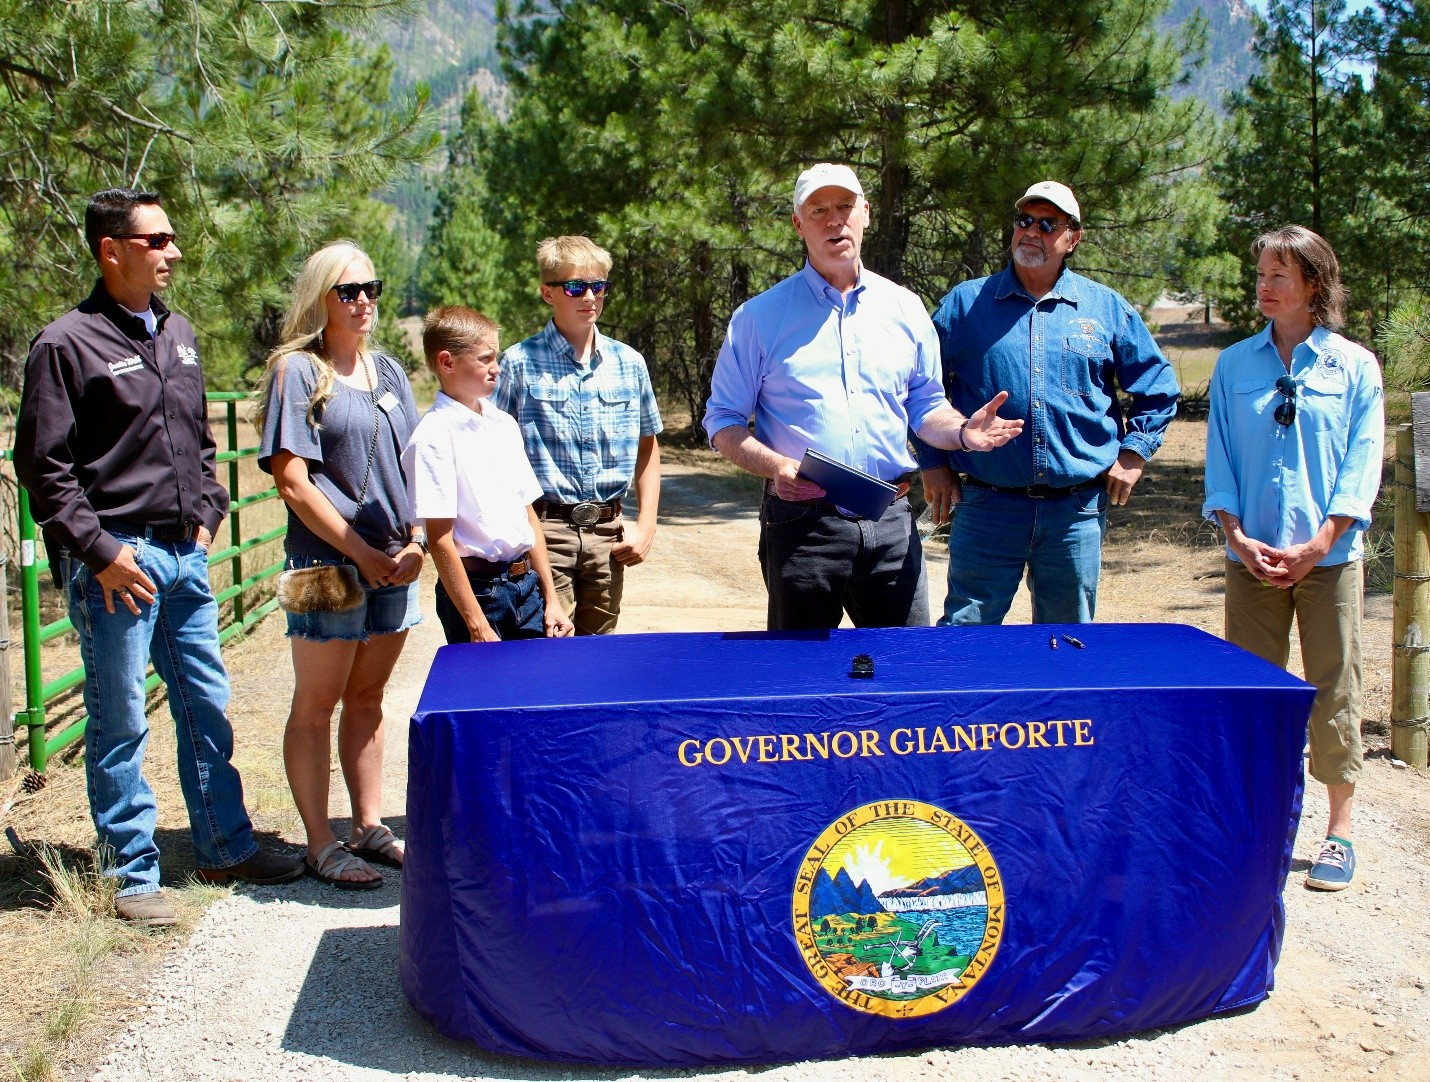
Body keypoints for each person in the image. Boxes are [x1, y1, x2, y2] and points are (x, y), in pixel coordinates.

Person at [14, 188, 303, 927]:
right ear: (111, 250)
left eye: (171, 239)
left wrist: (208, 519)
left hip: (184, 555)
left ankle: (223, 845)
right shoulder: (65, 344)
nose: (172, 252)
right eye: (157, 240)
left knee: (205, 702)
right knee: (120, 722)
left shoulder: (178, 334)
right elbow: (44, 468)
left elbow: (202, 445)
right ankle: (130, 873)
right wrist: (102, 553)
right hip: (118, 561)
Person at [703, 163, 1023, 630]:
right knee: (805, 681)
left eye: (846, 207)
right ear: (799, 224)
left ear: (866, 214)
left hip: (892, 521)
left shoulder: (904, 308)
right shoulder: (759, 318)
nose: (835, 221)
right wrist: (777, 468)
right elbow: (723, 423)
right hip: (802, 526)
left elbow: (926, 406)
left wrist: (962, 433)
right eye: (819, 211)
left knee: (902, 674)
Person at [1203, 225, 1383, 892]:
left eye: (1280, 274)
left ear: (1314, 284)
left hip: (1329, 559)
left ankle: (1339, 834)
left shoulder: (1355, 367)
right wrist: (1236, 533)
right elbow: (1218, 456)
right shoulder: (1234, 365)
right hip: (1250, 557)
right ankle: (1254, 826)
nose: (1265, 285)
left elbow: (1362, 467)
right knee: (1251, 692)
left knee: (1334, 689)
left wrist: (1318, 544)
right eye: (1261, 274)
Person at [915, 181, 1180, 625]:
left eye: (1047, 223)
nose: (1031, 232)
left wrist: (1135, 452)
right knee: (967, 635)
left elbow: (1157, 386)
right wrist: (933, 462)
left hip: (1074, 512)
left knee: (1067, 640)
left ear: (1073, 238)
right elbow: (919, 385)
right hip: (987, 507)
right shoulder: (965, 305)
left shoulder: (1105, 309)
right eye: (1024, 221)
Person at [255, 241, 424, 890]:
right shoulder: (298, 372)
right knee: (316, 704)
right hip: (325, 566)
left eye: (371, 289)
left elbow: (414, 463)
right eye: (348, 292)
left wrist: (414, 543)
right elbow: (293, 482)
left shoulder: (389, 373)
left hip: (392, 561)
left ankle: (368, 824)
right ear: (320, 298)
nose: (363, 303)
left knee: (368, 699)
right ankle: (320, 843)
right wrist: (360, 552)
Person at [491, 236, 663, 635]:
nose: (589, 297)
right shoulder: (519, 363)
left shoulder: (629, 363)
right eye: (575, 287)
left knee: (599, 657)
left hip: (610, 534)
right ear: (548, 293)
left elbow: (647, 448)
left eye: (598, 286)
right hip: (545, 531)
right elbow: (493, 457)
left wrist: (647, 526)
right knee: (549, 652)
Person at [404, 305, 574, 643]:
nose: (496, 368)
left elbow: (528, 516)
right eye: (485, 359)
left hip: (527, 588)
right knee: (481, 694)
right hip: (480, 593)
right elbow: (439, 539)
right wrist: (477, 624)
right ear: (447, 362)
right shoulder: (433, 436)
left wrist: (551, 599)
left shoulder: (503, 424)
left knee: (535, 691)